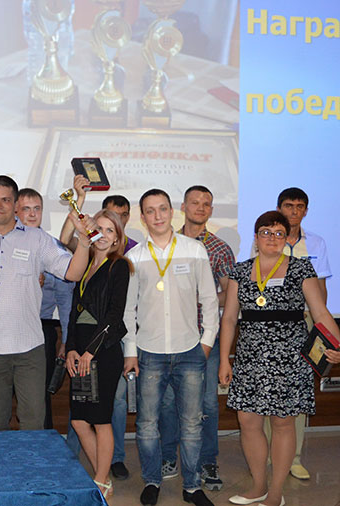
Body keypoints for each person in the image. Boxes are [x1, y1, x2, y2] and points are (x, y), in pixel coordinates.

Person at [218, 211, 340, 506]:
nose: (271, 238)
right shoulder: (240, 271)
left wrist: (337, 344)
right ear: (256, 237)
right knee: (248, 421)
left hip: (290, 358)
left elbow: (320, 312)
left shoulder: (301, 269)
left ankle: (275, 493)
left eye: (278, 233)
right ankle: (258, 487)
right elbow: (230, 318)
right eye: (266, 232)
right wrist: (224, 360)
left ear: (286, 238)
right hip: (250, 358)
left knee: (283, 422)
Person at [0, 175, 86, 432]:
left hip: (29, 349)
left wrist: (84, 241)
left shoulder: (37, 239)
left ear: (15, 204)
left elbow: (72, 273)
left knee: (33, 424)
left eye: (5, 200)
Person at [123, 189, 219, 506]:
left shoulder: (194, 250)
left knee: (192, 423)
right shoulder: (134, 257)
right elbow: (128, 310)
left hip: (190, 351)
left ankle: (192, 487)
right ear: (143, 217)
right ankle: (152, 481)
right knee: (147, 424)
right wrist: (131, 351)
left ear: (171, 211)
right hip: (149, 352)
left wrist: (206, 343)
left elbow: (210, 299)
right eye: (150, 211)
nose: (158, 216)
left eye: (162, 208)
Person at [159, 186, 236, 490]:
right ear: (183, 207)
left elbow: (230, 293)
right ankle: (168, 457)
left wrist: (203, 299)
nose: (201, 208)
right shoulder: (166, 243)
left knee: (207, 404)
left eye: (206, 204)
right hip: (167, 337)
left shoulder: (219, 248)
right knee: (167, 402)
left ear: (211, 210)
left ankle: (207, 461)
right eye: (195, 202)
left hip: (205, 338)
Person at [256, 187, 333, 480]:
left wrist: (322, 330)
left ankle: (294, 457)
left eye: (300, 207)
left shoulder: (316, 242)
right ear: (279, 208)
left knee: (296, 393)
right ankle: (267, 455)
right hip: (269, 326)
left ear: (306, 211)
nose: (294, 211)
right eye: (289, 205)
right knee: (267, 391)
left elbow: (321, 289)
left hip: (305, 323)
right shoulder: (266, 239)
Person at [65, 209, 132, 499]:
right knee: (79, 420)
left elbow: (114, 315)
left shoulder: (119, 266)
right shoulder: (85, 264)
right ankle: (102, 475)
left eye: (109, 230)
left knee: (101, 419)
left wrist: (90, 351)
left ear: (117, 238)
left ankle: (101, 480)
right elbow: (73, 312)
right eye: (98, 229)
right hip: (80, 350)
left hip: (103, 352)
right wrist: (71, 348)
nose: (102, 235)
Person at [15, 188, 73, 430]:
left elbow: (66, 300)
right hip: (6, 326)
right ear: (15, 211)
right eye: (26, 209)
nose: (32, 214)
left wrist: (66, 341)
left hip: (42, 330)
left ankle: (44, 446)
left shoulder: (53, 247)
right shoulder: (0, 244)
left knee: (39, 396)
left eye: (36, 209)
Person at [102, 193, 136, 481]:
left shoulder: (134, 251)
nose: (118, 219)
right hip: (90, 338)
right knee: (86, 398)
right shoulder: (91, 248)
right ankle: (76, 453)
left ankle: (116, 457)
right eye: (112, 214)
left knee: (118, 401)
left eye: (123, 215)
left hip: (122, 337)